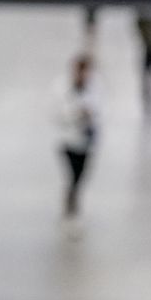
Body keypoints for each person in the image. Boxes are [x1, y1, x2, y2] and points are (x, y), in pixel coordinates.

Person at [58, 54, 99, 220]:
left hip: (87, 140)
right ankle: (71, 197)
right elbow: (57, 111)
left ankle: (74, 194)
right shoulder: (61, 87)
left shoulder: (97, 88)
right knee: (72, 171)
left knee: (82, 172)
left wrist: (90, 115)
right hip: (68, 139)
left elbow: (102, 110)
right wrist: (76, 114)